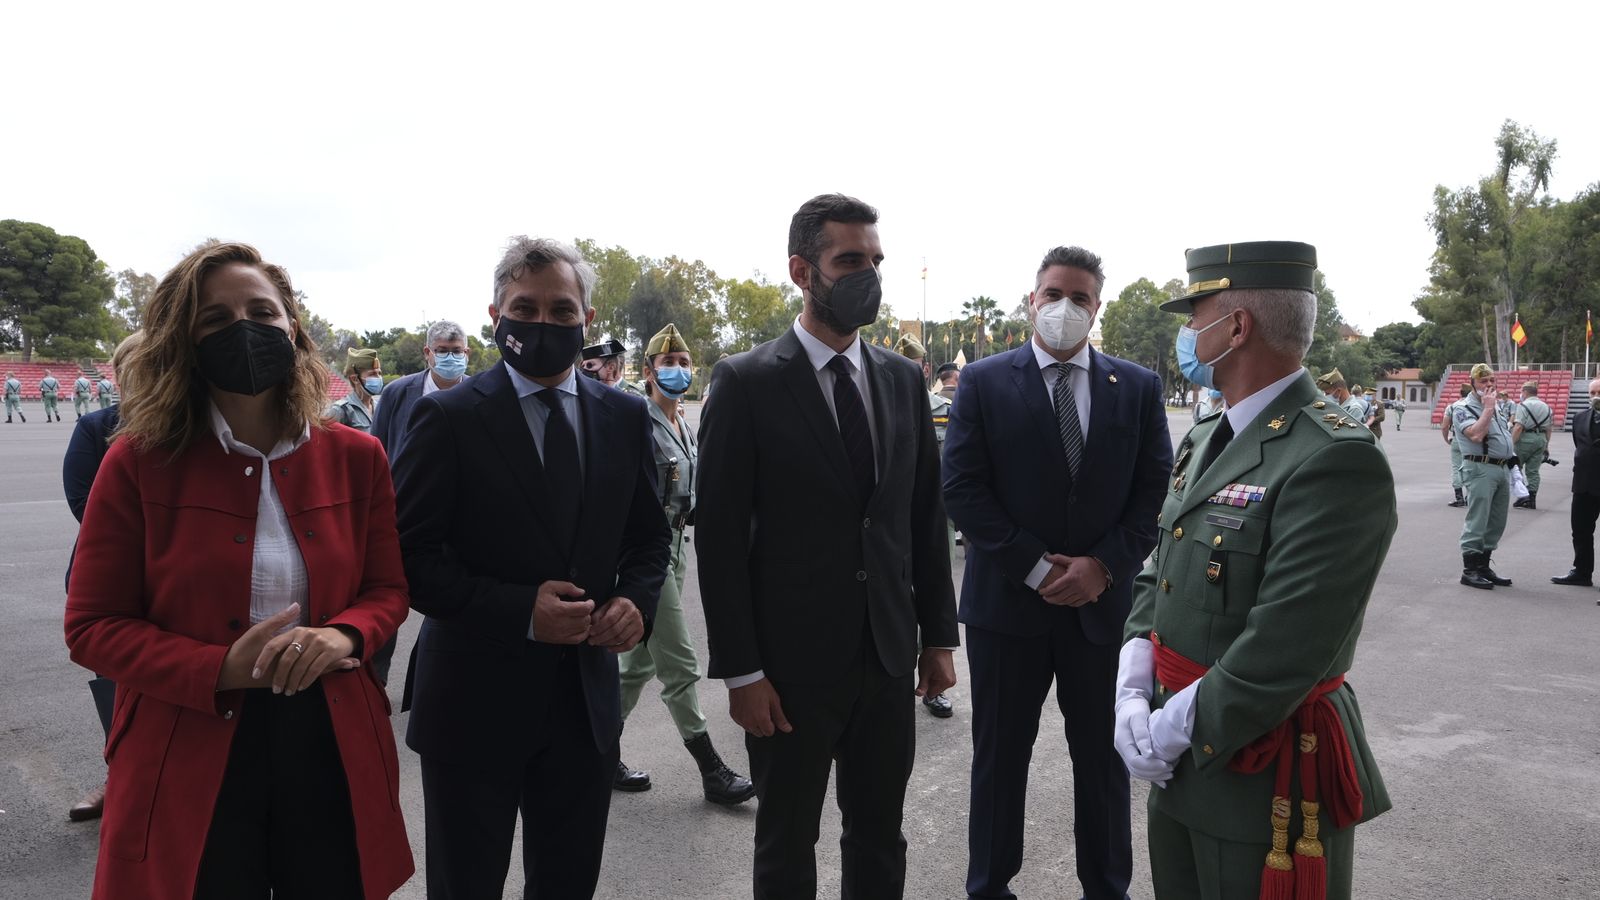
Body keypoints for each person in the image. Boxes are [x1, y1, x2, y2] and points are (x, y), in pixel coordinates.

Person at [62, 241, 413, 900]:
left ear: (293, 327)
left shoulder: (357, 457)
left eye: (261, 312)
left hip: (331, 738)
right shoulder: (137, 461)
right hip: (187, 742)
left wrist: (344, 635)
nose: (244, 329)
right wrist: (220, 668)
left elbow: (387, 589)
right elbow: (92, 626)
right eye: (216, 319)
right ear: (184, 341)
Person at [696, 193, 958, 899]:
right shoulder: (746, 382)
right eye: (849, 261)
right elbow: (719, 541)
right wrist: (742, 673)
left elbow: (922, 517)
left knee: (879, 838)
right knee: (787, 844)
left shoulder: (901, 380)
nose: (868, 275)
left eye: (875, 260)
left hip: (887, 659)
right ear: (801, 271)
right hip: (788, 674)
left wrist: (938, 637)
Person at [393, 236, 670, 899]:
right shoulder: (447, 417)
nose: (543, 322)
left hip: (582, 706)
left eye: (561, 309)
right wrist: (521, 612)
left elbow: (648, 539)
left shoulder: (624, 416)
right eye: (525, 308)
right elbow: (408, 557)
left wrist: (635, 601)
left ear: (587, 319)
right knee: (465, 886)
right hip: (472, 705)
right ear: (496, 316)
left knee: (567, 884)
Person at [1116, 241, 1394, 900]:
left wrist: (1174, 727)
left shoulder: (1333, 457)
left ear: (1236, 327)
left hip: (1261, 770)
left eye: (1196, 314)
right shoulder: (1205, 436)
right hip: (1180, 762)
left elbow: (1286, 643)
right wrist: (1133, 676)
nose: (1189, 331)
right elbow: (1163, 564)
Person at [944, 245, 1172, 899]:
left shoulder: (1136, 387)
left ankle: (1107, 887)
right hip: (1006, 611)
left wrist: (1104, 565)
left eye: (1079, 298)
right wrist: (1036, 567)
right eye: (1053, 294)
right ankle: (990, 887)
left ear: (1097, 309)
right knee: (999, 760)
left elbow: (1154, 491)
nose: (1064, 307)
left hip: (1102, 610)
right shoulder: (984, 382)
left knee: (1104, 762)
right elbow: (962, 488)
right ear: (1031, 300)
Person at [614, 323, 756, 804]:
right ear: (648, 371)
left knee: (636, 666)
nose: (677, 370)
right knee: (680, 663)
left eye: (683, 362)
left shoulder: (683, 424)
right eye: (667, 363)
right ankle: (711, 769)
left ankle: (597, 748)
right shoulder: (638, 419)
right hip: (646, 556)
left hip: (677, 547)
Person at [60, 332, 143, 823]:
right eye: (136, 368)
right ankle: (121, 778)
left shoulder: (198, 423)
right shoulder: (96, 427)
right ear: (119, 376)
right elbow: (83, 504)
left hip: (185, 579)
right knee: (118, 683)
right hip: (113, 578)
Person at [894, 331, 956, 718]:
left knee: (932, 588)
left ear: (925, 369)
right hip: (890, 519)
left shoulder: (943, 408)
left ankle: (933, 686)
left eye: (913, 366)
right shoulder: (879, 397)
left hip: (935, 511)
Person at [371, 320, 471, 466]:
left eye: (456, 351)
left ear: (466, 353)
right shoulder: (395, 393)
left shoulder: (479, 394)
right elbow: (377, 449)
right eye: (442, 351)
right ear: (427, 353)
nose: (450, 357)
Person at [1454, 364, 1516, 589]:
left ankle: (1483, 566)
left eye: (1491, 380)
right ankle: (1469, 570)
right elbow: (1476, 435)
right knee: (1478, 519)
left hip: (1501, 468)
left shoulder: (1497, 406)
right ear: (1472, 383)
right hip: (1480, 468)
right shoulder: (1462, 408)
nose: (1489, 385)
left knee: (1497, 520)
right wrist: (1488, 408)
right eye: (1483, 381)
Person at [1552, 378, 1600, 604]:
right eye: (1592, 393)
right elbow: (1580, 446)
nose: (1595, 396)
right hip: (1583, 484)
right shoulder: (1579, 417)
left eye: (1599, 392)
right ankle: (1582, 572)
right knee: (1580, 530)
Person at [1512, 380, 1552, 509]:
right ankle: (1532, 498)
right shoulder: (1547, 407)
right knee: (1533, 471)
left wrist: (1511, 444)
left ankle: (1523, 496)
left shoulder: (1523, 406)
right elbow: (1549, 429)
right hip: (1541, 439)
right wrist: (1546, 445)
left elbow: (1518, 427)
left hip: (1525, 438)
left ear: (1525, 392)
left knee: (1516, 467)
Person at [328, 347, 382, 433]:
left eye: (379, 373)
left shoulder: (379, 407)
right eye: (372, 374)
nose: (378, 378)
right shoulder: (341, 410)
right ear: (355, 379)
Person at [1442, 382, 1471, 507]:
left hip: (1457, 438)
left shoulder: (1452, 407)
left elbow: (1445, 426)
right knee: (1472, 467)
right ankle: (1470, 496)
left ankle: (1459, 497)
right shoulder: (1475, 406)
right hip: (1471, 440)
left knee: (1456, 468)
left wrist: (1446, 439)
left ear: (1460, 393)